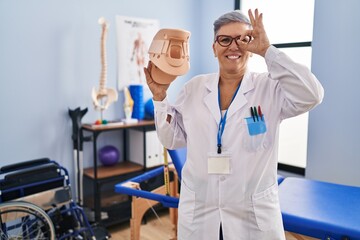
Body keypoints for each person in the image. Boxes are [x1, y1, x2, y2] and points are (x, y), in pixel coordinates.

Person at [144, 9, 324, 240]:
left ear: (252, 45)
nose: (234, 46)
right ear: (214, 47)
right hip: (201, 212)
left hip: (251, 214)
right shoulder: (194, 88)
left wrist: (268, 51)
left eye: (243, 39)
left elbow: (312, 94)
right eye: (225, 39)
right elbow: (172, 139)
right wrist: (160, 98)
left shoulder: (269, 88)